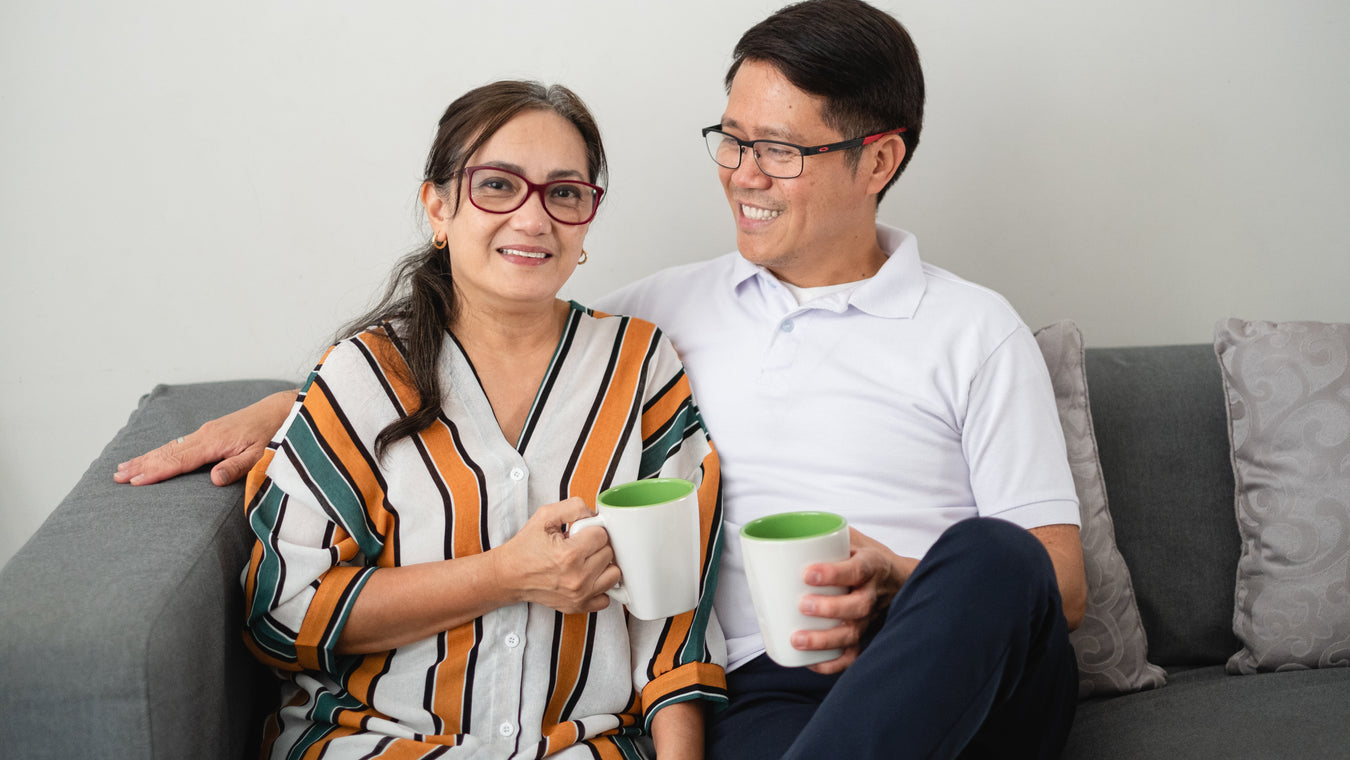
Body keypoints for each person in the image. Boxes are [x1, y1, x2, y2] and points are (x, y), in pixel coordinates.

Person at [117, 2, 1087, 757]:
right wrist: (298, 405)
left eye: (778, 151)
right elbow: (487, 344)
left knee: (994, 555)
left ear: (878, 159)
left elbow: (1060, 589)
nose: (742, 174)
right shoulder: (662, 320)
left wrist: (906, 584)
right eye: (732, 139)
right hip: (771, 693)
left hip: (965, 676)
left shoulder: (974, 330)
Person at [231, 80, 726, 759]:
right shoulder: (363, 376)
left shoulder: (642, 365)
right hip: (379, 745)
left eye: (564, 193)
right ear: (438, 207)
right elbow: (281, 614)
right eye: (497, 185)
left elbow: (677, 620)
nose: (533, 218)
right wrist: (505, 574)